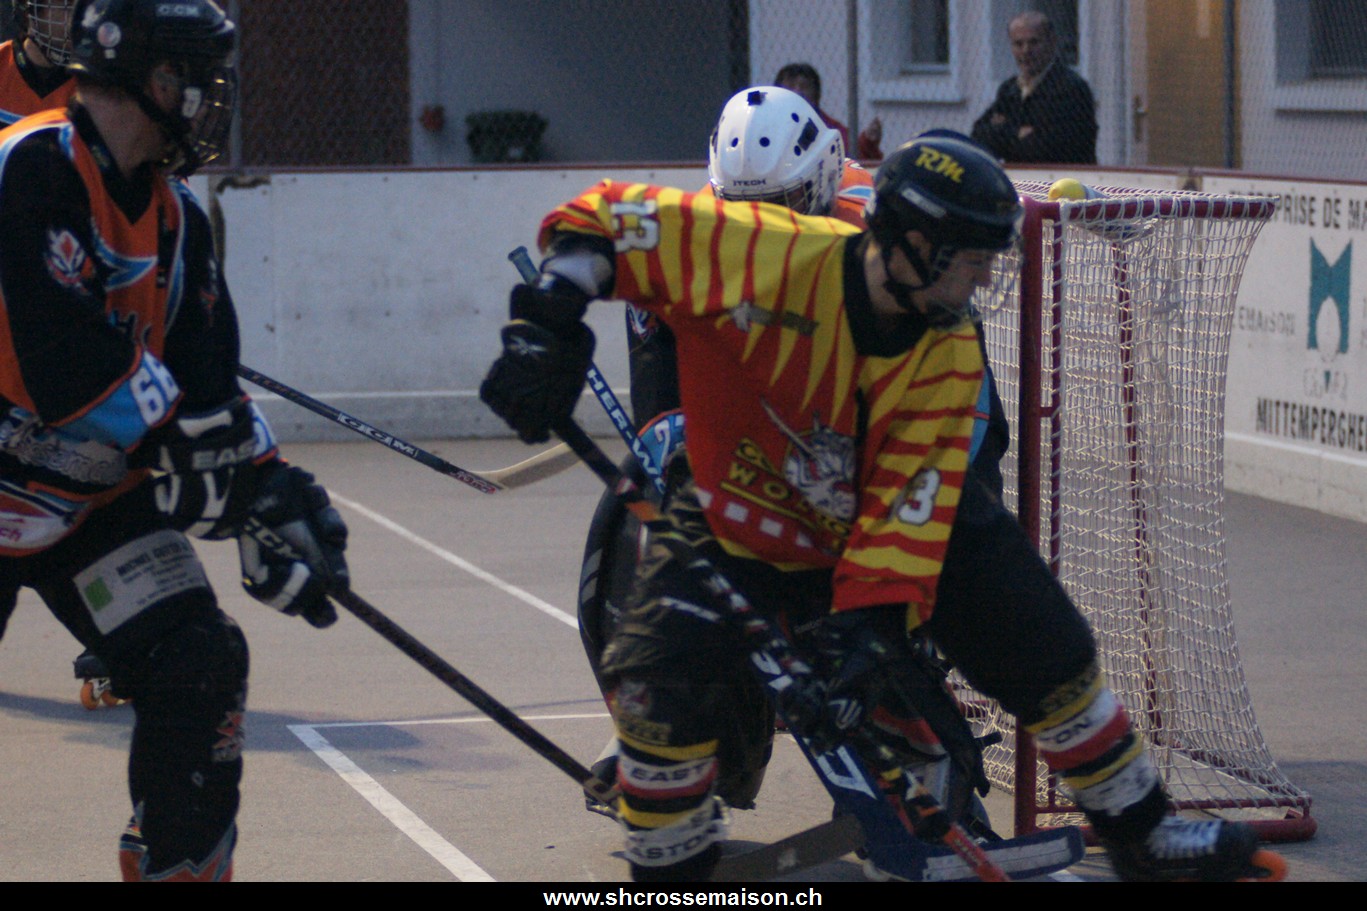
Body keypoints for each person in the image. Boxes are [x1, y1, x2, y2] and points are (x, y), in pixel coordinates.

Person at [479, 131, 1274, 882]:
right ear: (910, 244)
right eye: (971, 261)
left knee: (1044, 639)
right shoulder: (761, 249)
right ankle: (673, 872)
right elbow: (604, 219)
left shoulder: (946, 351)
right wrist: (544, 323)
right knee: (655, 697)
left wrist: (860, 645)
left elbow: (905, 515)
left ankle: (1139, 828)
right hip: (728, 526)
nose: (981, 284)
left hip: (864, 530)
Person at [0, 0, 349, 881]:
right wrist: (190, 443)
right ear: (155, 78)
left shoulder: (179, 217)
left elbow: (207, 379)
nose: (209, 98)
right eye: (199, 77)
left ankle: (177, 865)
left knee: (199, 658)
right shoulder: (29, 167)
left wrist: (271, 489)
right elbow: (62, 358)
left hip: (77, 503)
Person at [970, 10, 1097, 164]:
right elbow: (978, 136)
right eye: (1018, 44)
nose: (1026, 51)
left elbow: (1047, 149)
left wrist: (1003, 130)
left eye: (1034, 42)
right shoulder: (1009, 90)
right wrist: (1018, 133)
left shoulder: (1072, 89)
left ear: (1052, 43)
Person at [774, 61, 883, 161]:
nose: (797, 92)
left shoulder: (833, 130)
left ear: (816, 94)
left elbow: (856, 163)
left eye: (804, 86)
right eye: (790, 86)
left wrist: (867, 144)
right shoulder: (769, 125)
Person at [0, 1, 75, 127]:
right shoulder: (3, 62)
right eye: (67, 8)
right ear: (29, 11)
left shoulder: (97, 84)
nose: (79, 20)